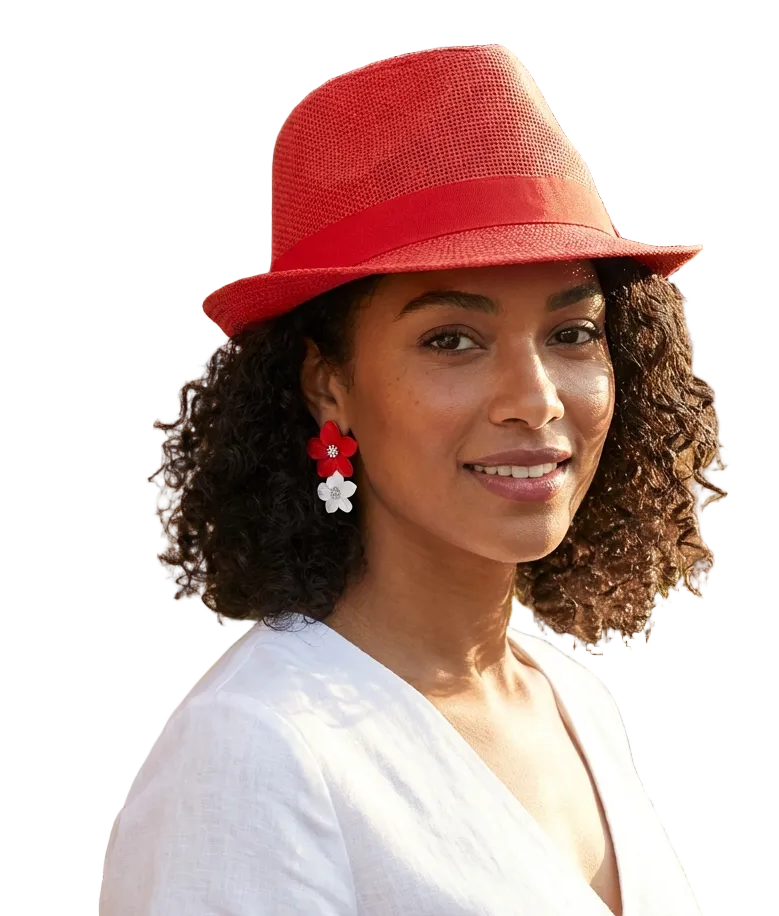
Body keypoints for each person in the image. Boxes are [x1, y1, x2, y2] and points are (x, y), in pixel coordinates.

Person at [99, 43, 725, 916]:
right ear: (331, 387)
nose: (533, 399)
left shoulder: (575, 704)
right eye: (451, 340)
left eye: (572, 333)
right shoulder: (256, 753)